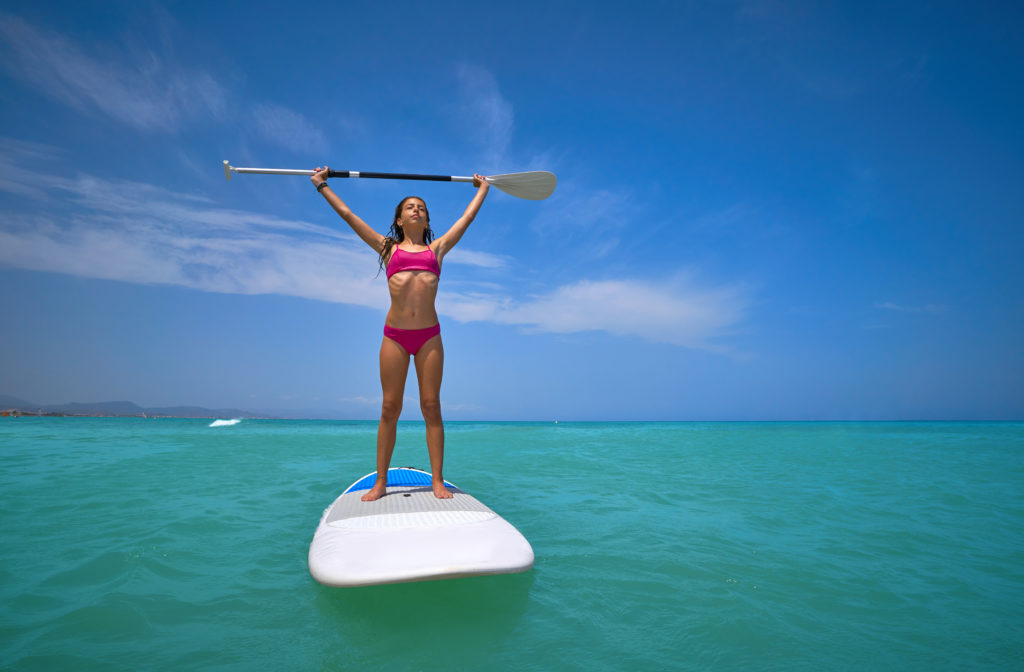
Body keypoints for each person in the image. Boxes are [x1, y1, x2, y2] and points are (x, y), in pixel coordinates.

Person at [311, 166, 490, 501]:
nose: (416, 210)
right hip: (394, 336)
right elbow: (349, 215)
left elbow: (466, 219)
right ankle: (381, 482)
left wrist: (482, 189)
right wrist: (321, 185)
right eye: (410, 207)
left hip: (429, 337)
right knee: (389, 407)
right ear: (399, 220)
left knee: (431, 405)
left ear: (426, 220)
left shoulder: (436, 250)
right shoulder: (388, 249)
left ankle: (437, 480)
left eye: (421, 207)